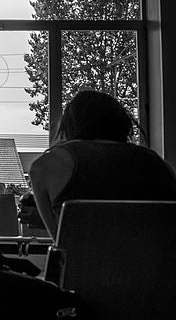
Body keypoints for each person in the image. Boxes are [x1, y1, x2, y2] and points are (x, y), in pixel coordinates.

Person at [30, 90, 176, 238]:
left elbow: (62, 244)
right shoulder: (160, 165)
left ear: (70, 125)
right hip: (157, 260)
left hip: (84, 260)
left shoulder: (47, 166)